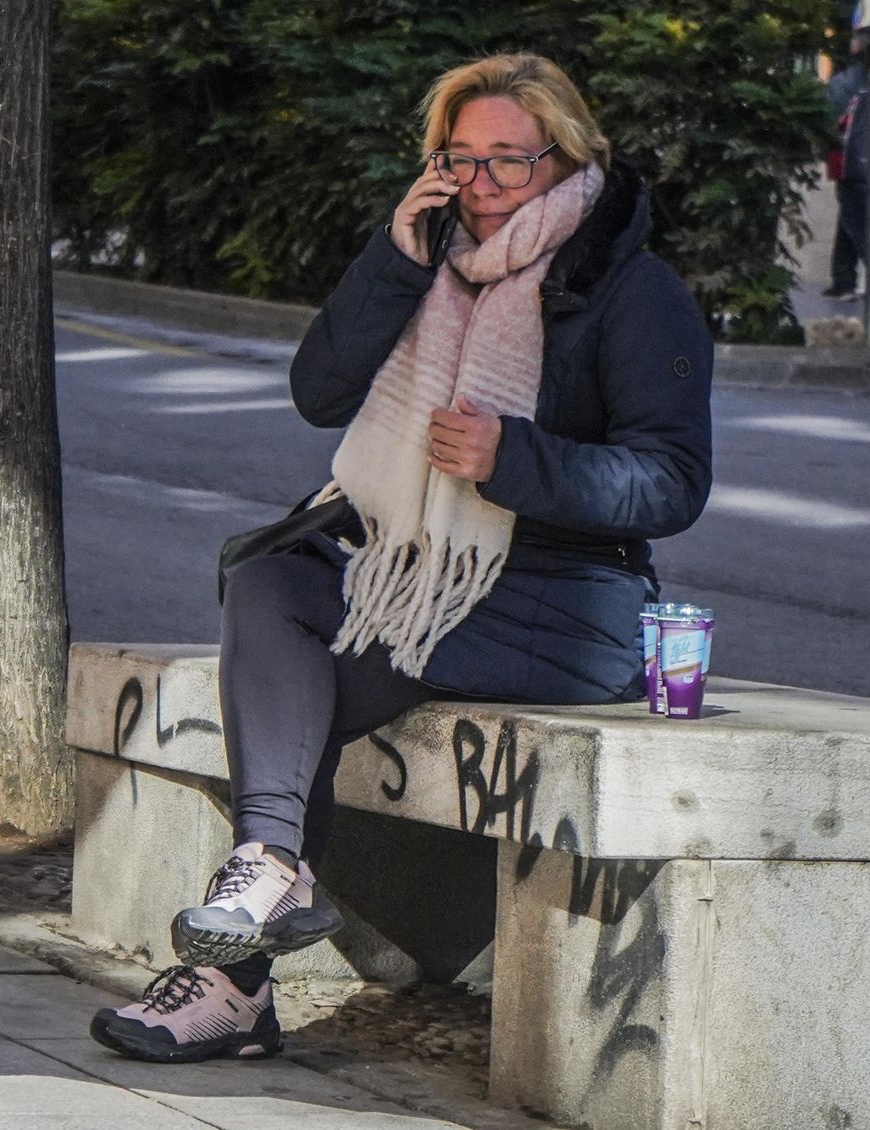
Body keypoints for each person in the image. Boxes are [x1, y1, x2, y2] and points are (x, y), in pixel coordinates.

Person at [89, 51, 714, 1064]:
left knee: (296, 687)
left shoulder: (632, 294)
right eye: (456, 160)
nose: (478, 185)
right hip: (416, 577)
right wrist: (392, 259)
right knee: (270, 578)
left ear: (569, 159)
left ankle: (232, 980)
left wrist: (517, 458)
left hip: (565, 608)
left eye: (506, 162)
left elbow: (671, 480)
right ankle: (265, 874)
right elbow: (318, 390)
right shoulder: (426, 259)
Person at [823, 25, 870, 300]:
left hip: (850, 162)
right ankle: (843, 278)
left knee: (856, 220)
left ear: (856, 48)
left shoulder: (844, 83)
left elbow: (826, 119)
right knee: (850, 218)